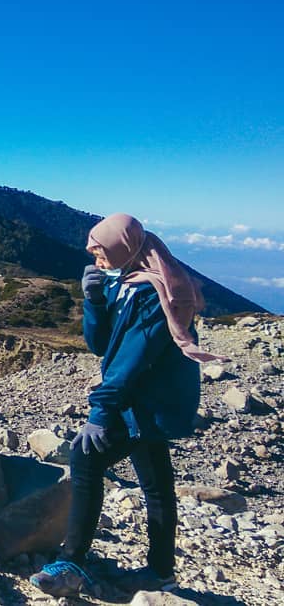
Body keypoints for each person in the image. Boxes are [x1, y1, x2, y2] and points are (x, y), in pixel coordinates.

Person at [30, 213, 228, 597]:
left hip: (148, 400)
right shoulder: (126, 282)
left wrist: (100, 413)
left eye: (101, 252)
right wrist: (93, 302)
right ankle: (160, 572)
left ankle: (72, 562)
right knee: (155, 483)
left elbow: (131, 360)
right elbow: (101, 345)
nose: (95, 258)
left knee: (86, 457)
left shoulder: (155, 294)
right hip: (138, 399)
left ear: (125, 248)